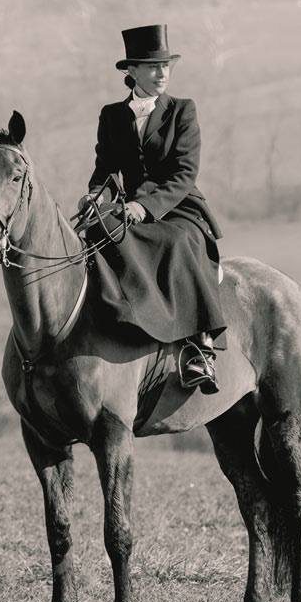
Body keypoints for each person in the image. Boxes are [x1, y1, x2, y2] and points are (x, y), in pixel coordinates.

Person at [77, 24, 226, 394]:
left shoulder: (182, 111)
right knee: (95, 234)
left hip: (179, 207)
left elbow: (184, 173)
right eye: (152, 67)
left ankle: (198, 348)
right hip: (126, 207)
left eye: (165, 67)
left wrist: (145, 206)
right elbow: (105, 169)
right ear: (132, 72)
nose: (162, 73)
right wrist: (96, 196)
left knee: (175, 241)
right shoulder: (111, 115)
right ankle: (111, 325)